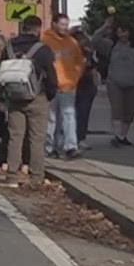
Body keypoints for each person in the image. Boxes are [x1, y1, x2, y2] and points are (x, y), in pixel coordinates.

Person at [0, 16, 60, 188]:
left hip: (15, 97)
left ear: (22, 27)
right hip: (37, 97)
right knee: (36, 139)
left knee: (15, 137)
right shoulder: (42, 49)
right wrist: (49, 94)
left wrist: (4, 94)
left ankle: (11, 176)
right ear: (38, 29)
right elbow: (51, 77)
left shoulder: (8, 47)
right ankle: (37, 177)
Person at [41, 13, 86, 158]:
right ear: (54, 24)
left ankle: (70, 147)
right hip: (50, 86)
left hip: (68, 86)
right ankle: (50, 147)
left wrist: (74, 78)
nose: (65, 28)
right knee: (51, 118)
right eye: (62, 24)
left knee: (69, 116)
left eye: (66, 25)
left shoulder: (72, 42)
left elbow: (79, 62)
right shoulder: (44, 40)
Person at [106, 25, 134, 147]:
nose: (122, 35)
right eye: (119, 32)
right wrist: (106, 25)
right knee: (117, 109)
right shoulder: (111, 45)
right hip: (114, 83)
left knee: (129, 111)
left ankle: (123, 136)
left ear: (130, 32)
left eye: (124, 32)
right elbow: (96, 40)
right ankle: (117, 135)